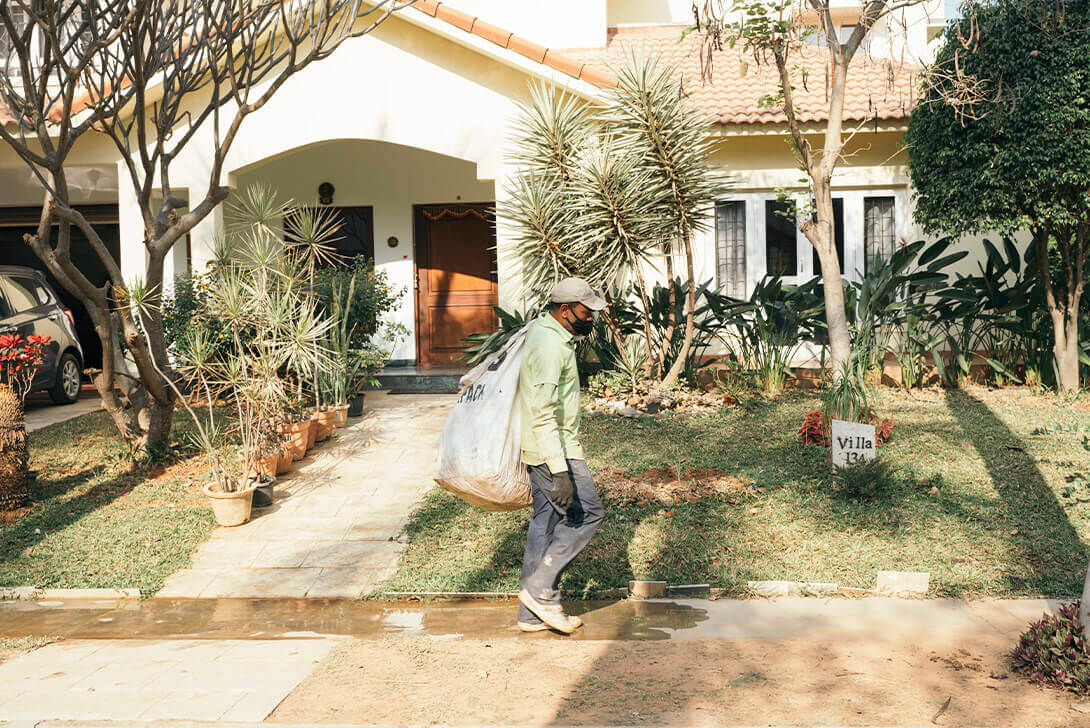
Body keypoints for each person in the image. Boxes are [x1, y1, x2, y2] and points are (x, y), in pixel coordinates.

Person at [516, 277, 607, 634]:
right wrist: (560, 471)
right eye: (586, 312)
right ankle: (540, 591)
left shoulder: (547, 332)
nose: (591, 319)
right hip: (554, 450)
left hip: (546, 446)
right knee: (589, 514)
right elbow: (543, 412)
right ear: (566, 309)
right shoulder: (551, 347)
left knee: (545, 524)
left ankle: (530, 614)